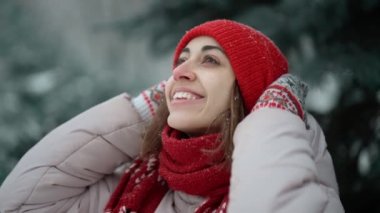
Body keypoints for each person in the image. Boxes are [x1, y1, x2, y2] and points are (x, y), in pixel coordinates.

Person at [0, 19, 344, 213]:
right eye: (182, 60)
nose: (180, 71)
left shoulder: (306, 187)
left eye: (210, 60)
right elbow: (23, 205)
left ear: (253, 94)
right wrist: (140, 114)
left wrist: (270, 120)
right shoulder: (143, 187)